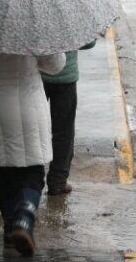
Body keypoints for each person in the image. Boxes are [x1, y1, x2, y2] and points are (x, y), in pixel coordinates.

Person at [0, 44, 65, 256]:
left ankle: (10, 229)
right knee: (33, 172)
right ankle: (23, 219)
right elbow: (56, 65)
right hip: (27, 105)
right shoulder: (33, 28)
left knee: (4, 170)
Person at [41, 40, 96, 195]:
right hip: (66, 77)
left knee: (34, 129)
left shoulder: (31, 16)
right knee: (63, 131)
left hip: (36, 78)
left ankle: (33, 179)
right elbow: (89, 42)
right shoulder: (71, 16)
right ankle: (58, 182)